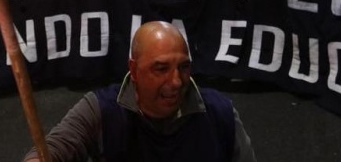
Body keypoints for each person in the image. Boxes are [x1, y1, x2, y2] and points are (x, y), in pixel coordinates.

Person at [22, 21, 257, 162]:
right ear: (133, 70)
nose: (176, 81)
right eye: (161, 68)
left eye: (183, 67)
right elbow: (53, 149)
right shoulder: (101, 110)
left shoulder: (220, 113)